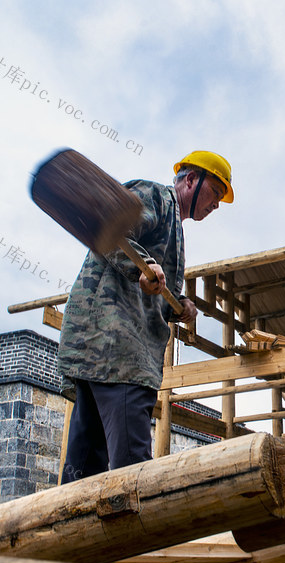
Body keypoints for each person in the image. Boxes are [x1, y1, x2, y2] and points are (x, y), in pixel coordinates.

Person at [57, 151, 234, 483]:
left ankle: (71, 528)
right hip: (117, 348)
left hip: (104, 354)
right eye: (216, 191)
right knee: (132, 471)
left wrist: (177, 305)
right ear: (191, 180)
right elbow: (108, 228)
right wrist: (139, 263)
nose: (216, 204)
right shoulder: (155, 196)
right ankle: (129, 531)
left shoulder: (175, 232)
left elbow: (152, 287)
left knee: (84, 465)